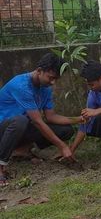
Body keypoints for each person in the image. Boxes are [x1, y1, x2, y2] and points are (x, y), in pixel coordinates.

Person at [0, 53, 83, 186]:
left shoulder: (45, 88)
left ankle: (20, 151)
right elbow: (38, 121)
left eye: (56, 79)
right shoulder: (21, 86)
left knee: (65, 130)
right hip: (4, 129)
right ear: (39, 71)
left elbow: (51, 117)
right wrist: (62, 146)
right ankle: (1, 166)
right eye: (51, 78)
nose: (53, 82)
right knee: (21, 121)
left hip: (21, 128)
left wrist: (79, 119)